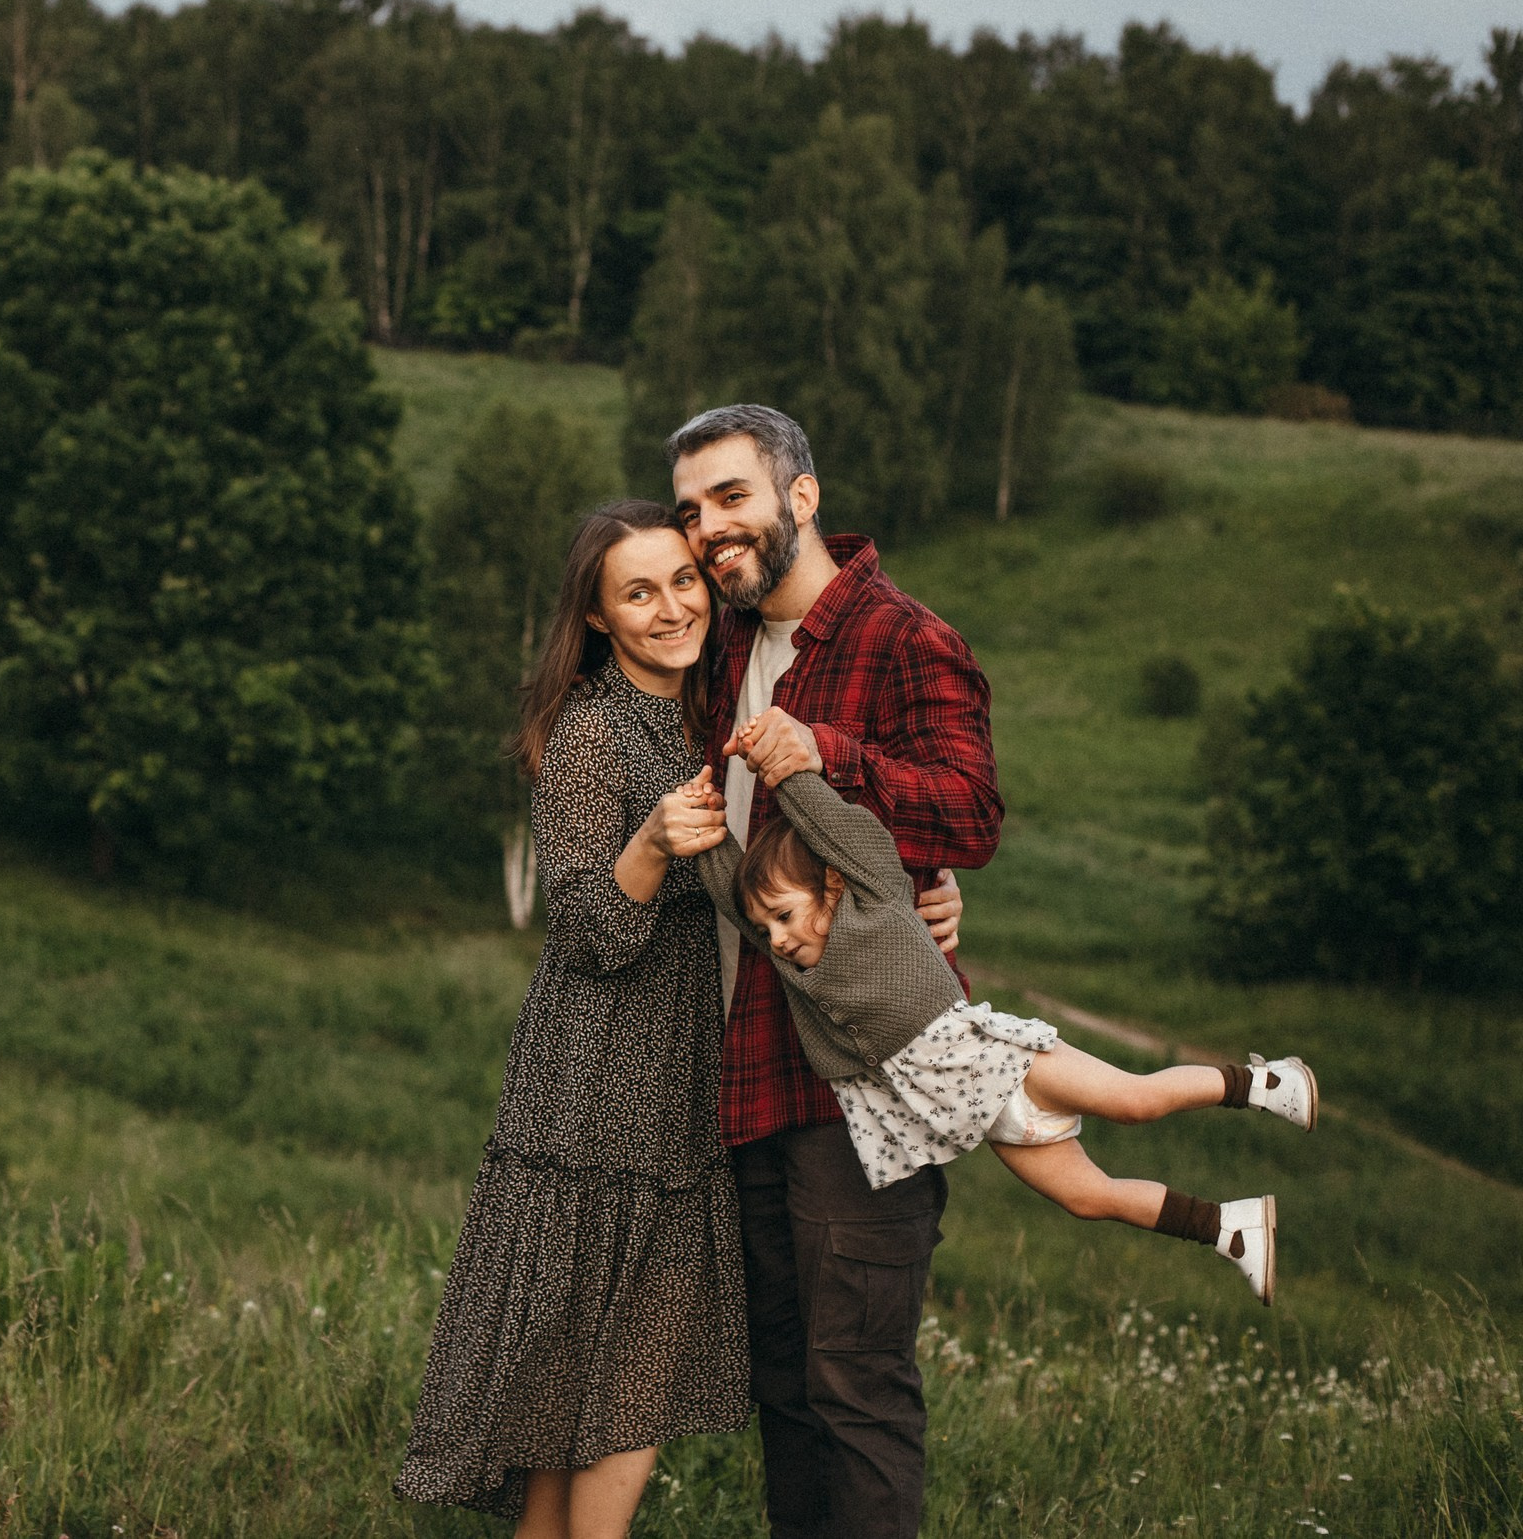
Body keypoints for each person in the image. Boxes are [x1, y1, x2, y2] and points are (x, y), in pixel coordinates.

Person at [665, 404, 995, 1539]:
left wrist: (831, 758)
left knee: (856, 1386)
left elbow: (970, 812)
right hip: (750, 1065)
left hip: (863, 1077)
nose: (710, 529)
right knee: (787, 1387)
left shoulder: (904, 639)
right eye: (691, 511)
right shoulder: (719, 649)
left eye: (732, 496)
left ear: (801, 496)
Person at [670, 729, 1315, 1303]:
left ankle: (1270, 1083)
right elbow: (737, 901)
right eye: (769, 928)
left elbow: (839, 830)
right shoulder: (795, 966)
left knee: (1136, 1101)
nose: (778, 939)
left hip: (1007, 1068)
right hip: (990, 1121)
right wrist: (704, 836)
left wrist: (784, 770)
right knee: (1089, 1198)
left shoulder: (876, 900)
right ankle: (1231, 1229)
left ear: (833, 886)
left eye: (785, 917)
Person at [394, 500, 751, 1537]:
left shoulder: (709, 716)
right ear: (597, 617)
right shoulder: (591, 730)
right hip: (595, 1096)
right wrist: (652, 842)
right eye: (638, 593)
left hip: (678, 1091)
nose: (671, 607)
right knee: (600, 1392)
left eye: (682, 581)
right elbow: (587, 928)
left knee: (588, 1404)